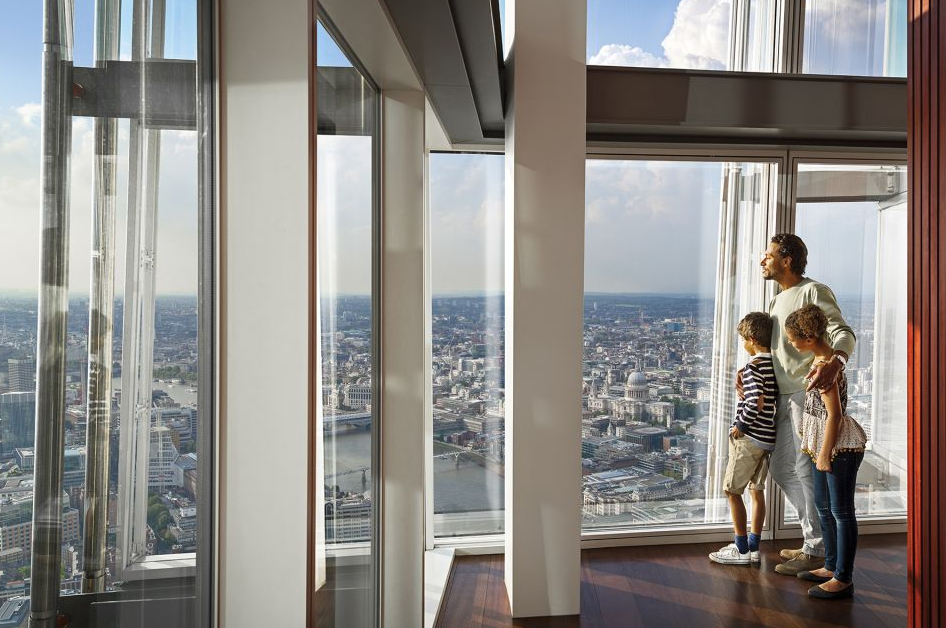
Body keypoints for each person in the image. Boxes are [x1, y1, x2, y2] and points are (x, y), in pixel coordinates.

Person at [747, 233, 856, 576]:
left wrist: (836, 361)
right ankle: (817, 537)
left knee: (805, 470)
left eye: (768, 255)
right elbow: (772, 350)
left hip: (804, 393)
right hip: (781, 394)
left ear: (787, 260)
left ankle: (816, 546)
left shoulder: (814, 291)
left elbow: (842, 332)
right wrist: (748, 371)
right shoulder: (776, 300)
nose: (762, 261)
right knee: (782, 469)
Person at [784, 304, 865, 599]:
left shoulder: (825, 369)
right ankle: (830, 565)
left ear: (808, 338)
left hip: (837, 448)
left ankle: (843, 578)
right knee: (824, 508)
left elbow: (834, 416)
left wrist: (823, 454)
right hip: (821, 445)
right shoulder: (820, 360)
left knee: (841, 512)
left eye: (792, 339)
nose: (790, 343)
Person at [710, 312, 779, 566]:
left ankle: (740, 549)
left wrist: (740, 426)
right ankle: (753, 546)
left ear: (752, 339)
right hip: (767, 437)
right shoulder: (775, 366)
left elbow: (754, 402)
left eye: (743, 340)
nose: (743, 345)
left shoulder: (753, 368)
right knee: (756, 491)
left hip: (750, 437)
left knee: (731, 490)